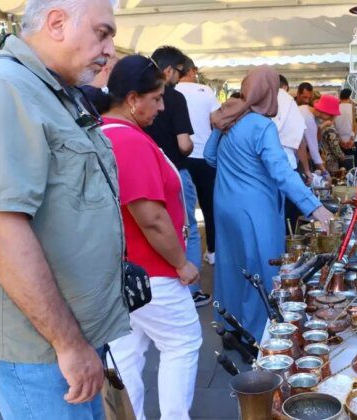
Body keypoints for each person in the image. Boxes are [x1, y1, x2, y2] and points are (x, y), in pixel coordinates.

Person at [0, 0, 128, 418]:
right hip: (40, 345)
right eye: (103, 33)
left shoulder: (48, 90)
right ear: (57, 23)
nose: (110, 50)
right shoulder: (1, 89)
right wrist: (68, 344)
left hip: (63, 335)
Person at [99, 55, 202, 420]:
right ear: (132, 99)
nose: (161, 107)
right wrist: (182, 263)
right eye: (156, 98)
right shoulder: (127, 140)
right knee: (182, 342)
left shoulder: (105, 133)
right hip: (152, 270)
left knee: (128, 352)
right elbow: (152, 217)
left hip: (123, 269)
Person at [205, 67, 333, 341]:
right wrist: (314, 207)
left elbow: (209, 157)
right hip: (255, 209)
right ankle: (257, 335)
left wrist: (236, 172)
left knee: (230, 267)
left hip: (225, 206)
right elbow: (282, 172)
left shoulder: (228, 117)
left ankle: (229, 326)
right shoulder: (262, 126)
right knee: (261, 270)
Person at [145, 46, 211, 306]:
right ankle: (192, 290)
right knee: (188, 229)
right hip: (175, 171)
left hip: (147, 172)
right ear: (169, 70)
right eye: (181, 72)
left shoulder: (138, 97)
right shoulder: (174, 98)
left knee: (153, 226)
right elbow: (184, 144)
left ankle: (161, 285)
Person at [176, 58, 220, 273]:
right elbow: (217, 121)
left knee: (183, 211)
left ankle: (182, 255)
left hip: (181, 156)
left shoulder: (173, 91)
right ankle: (212, 251)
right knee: (210, 207)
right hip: (205, 156)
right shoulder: (206, 91)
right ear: (191, 70)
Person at [273, 75, 308, 229]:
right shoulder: (287, 101)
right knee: (289, 214)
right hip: (286, 163)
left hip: (264, 167)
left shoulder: (257, 99)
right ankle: (288, 246)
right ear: (285, 87)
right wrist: (307, 170)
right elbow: (300, 140)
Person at [313, 95, 345, 175]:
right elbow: (335, 148)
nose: (334, 117)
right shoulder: (329, 129)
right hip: (330, 163)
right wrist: (342, 157)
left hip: (320, 161)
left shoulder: (317, 122)